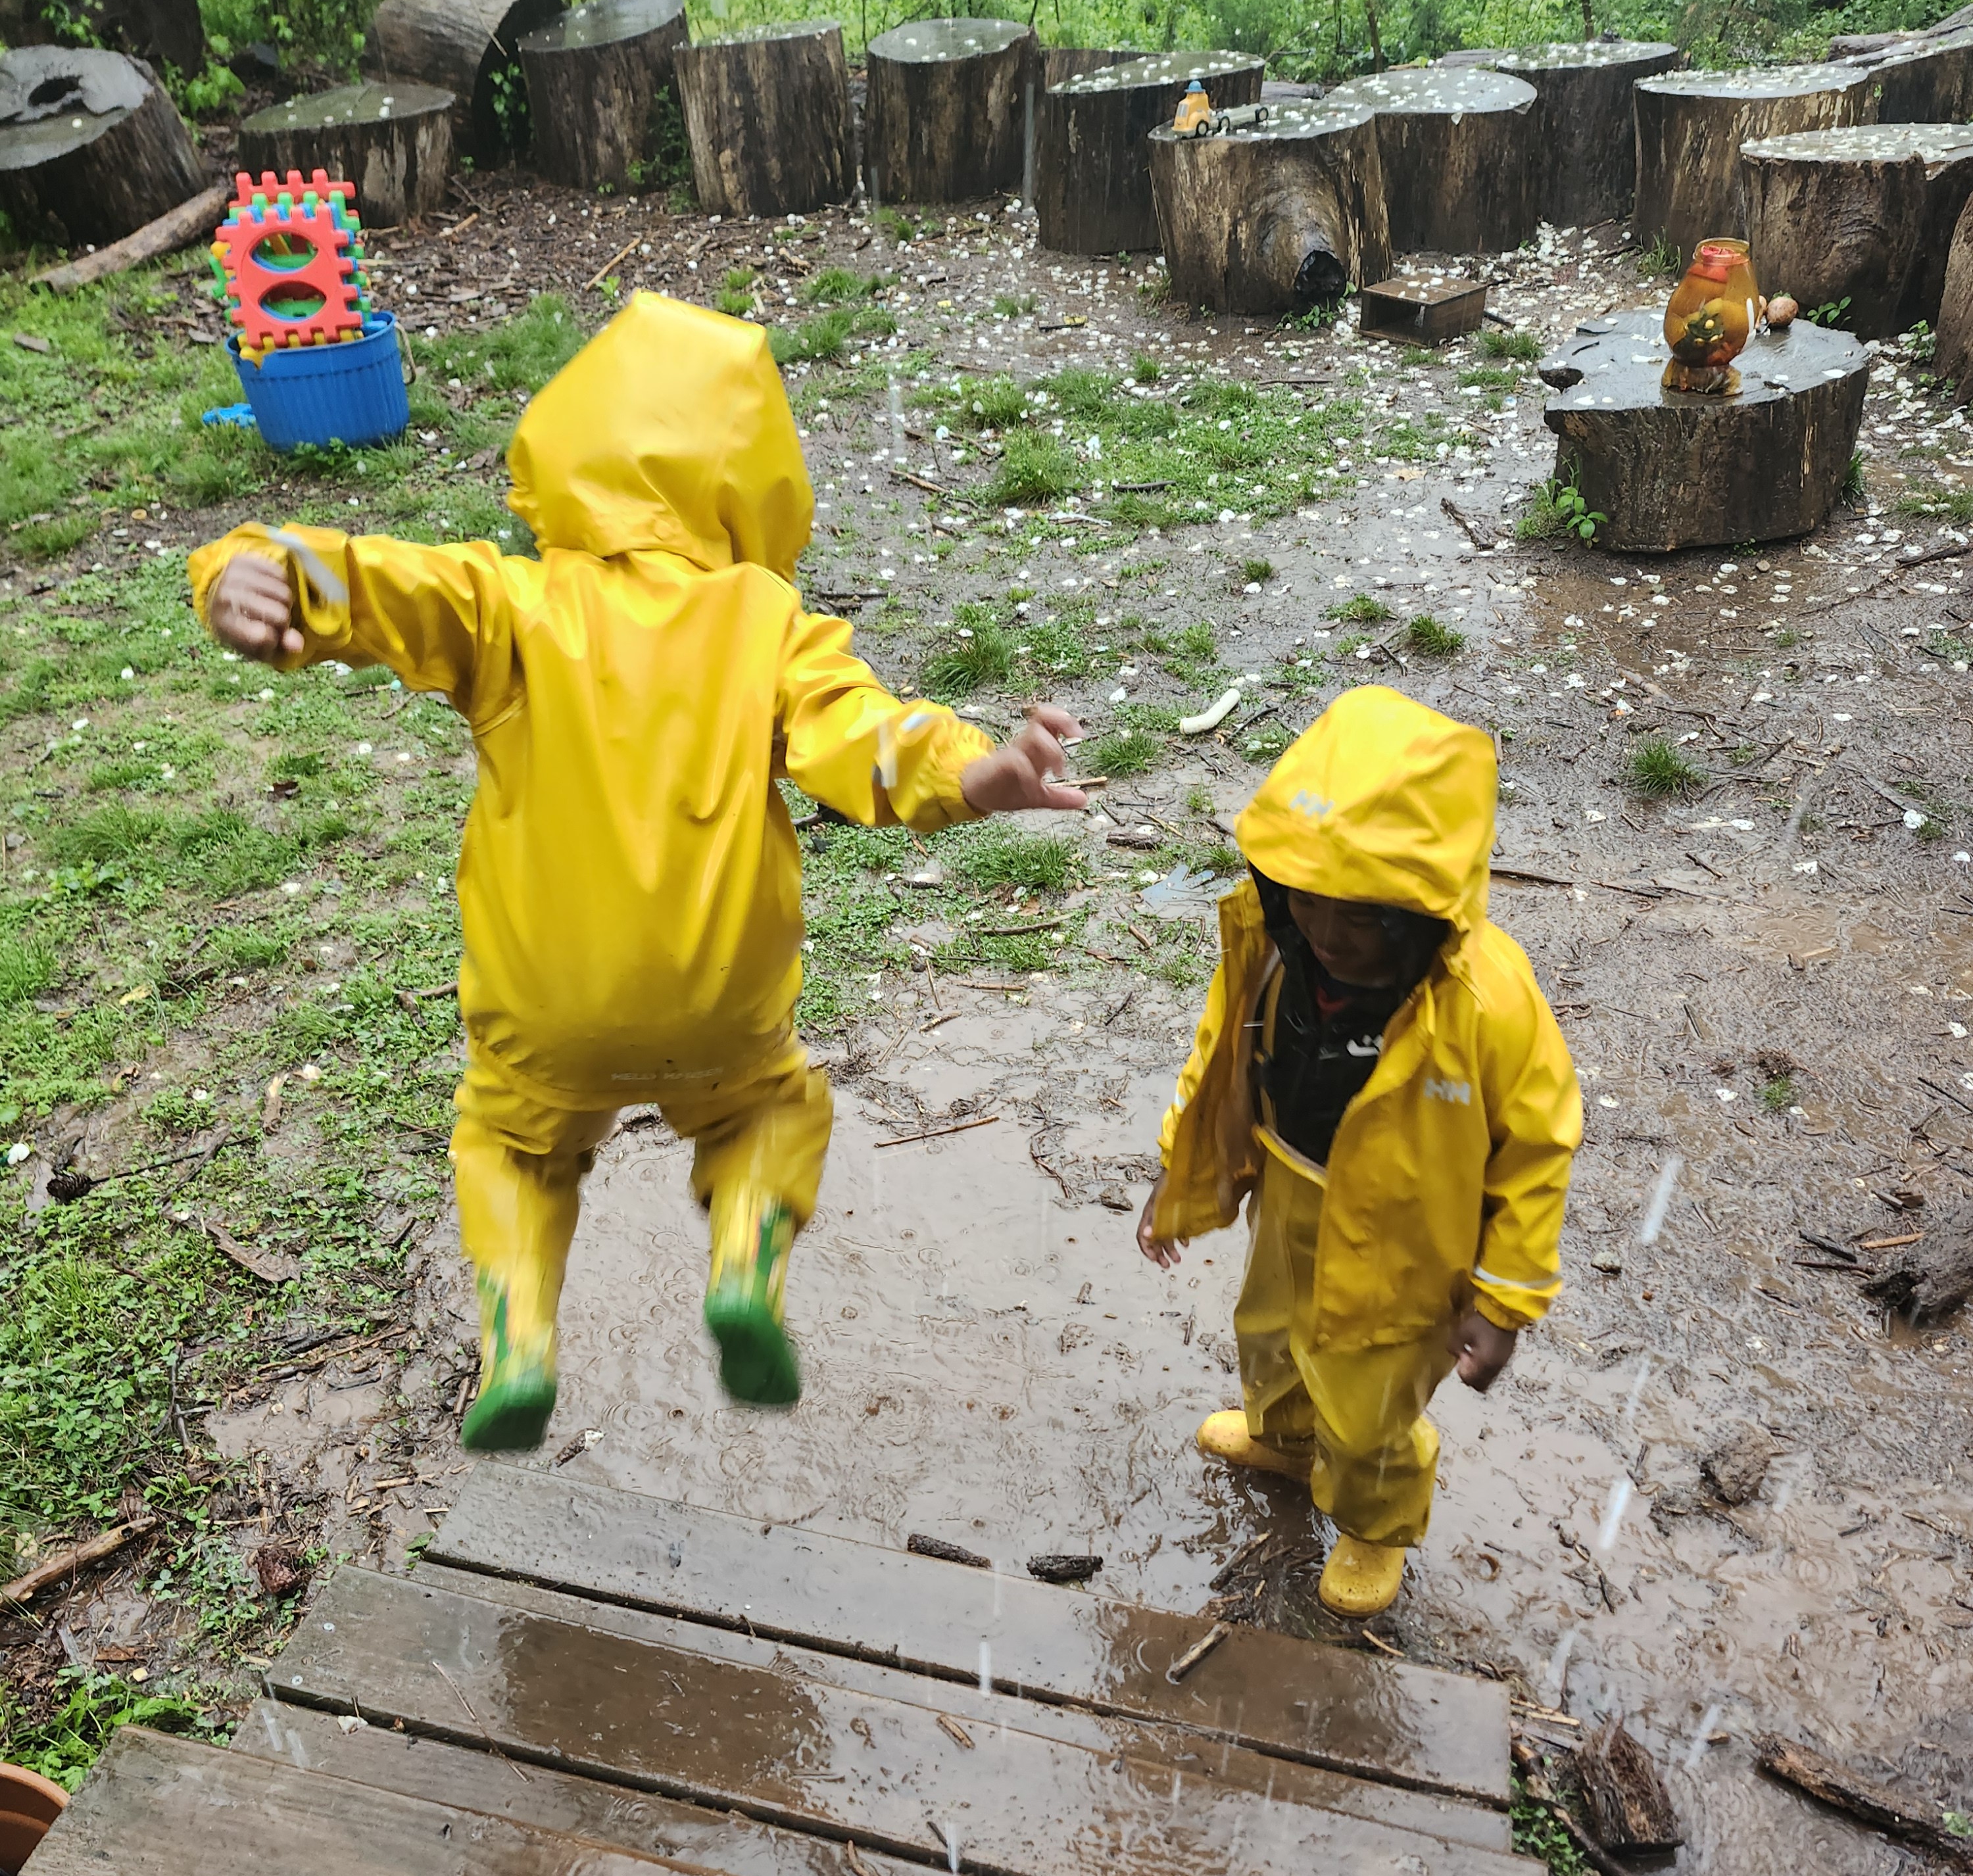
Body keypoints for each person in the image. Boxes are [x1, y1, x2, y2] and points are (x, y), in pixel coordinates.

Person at [191, 295, 1084, 1453]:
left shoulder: (506, 604)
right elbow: (859, 733)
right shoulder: (767, 620)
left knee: (511, 1148)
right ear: (753, 475)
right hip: (719, 1000)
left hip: (546, 1003)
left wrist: (247, 573)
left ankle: (518, 1337)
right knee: (771, 1106)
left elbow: (369, 582)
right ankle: (746, 1257)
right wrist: (976, 771)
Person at [1137, 685, 1579, 1618]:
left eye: (1371, 916)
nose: (1334, 935)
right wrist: (1186, 1168)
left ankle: (1375, 1518)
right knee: (1271, 1334)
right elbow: (1221, 1055)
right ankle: (1286, 1439)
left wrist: (1504, 1302)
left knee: (1371, 1393)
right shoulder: (1273, 943)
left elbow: (1538, 1151)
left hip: (1408, 1243)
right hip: (1289, 1189)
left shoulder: (1487, 1004)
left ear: (1428, 908)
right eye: (1316, 898)